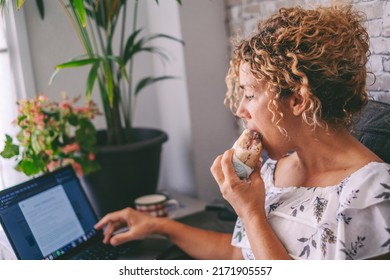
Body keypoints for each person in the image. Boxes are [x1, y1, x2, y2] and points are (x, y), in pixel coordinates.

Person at [95, 5, 390, 260]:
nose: (240, 110)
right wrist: (158, 226)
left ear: (298, 100)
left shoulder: (371, 196)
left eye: (249, 94)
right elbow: (239, 254)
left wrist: (251, 213)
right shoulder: (273, 170)